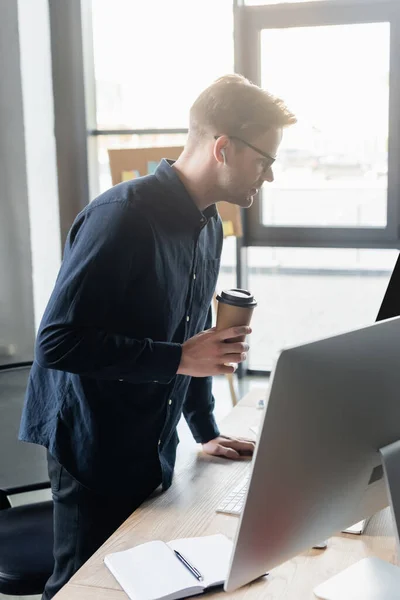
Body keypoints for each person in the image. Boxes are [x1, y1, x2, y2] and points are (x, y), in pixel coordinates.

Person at [19, 73, 296, 599]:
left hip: (153, 438)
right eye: (266, 161)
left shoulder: (208, 224)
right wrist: (179, 357)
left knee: (140, 583)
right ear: (223, 148)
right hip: (94, 445)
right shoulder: (121, 217)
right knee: (84, 589)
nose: (270, 176)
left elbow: (190, 336)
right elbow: (56, 342)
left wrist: (205, 427)